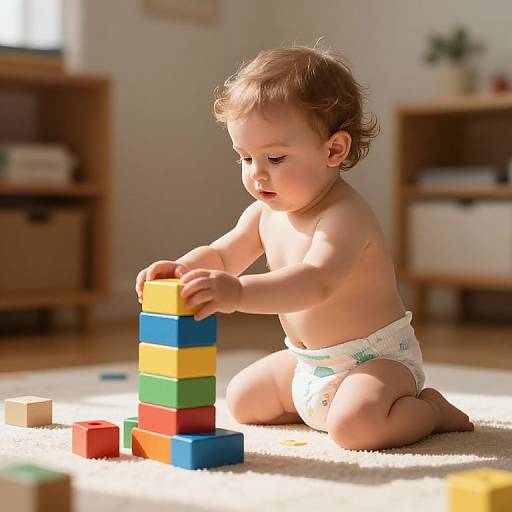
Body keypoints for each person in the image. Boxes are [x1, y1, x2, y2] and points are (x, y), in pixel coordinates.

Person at [135, 45, 474, 450]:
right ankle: (323, 408)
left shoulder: (345, 216)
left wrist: (238, 293)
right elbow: (224, 255)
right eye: (245, 158)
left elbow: (316, 283)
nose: (257, 174)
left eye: (275, 158)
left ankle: (430, 410)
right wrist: (183, 268)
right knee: (241, 399)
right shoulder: (263, 213)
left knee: (355, 430)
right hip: (308, 362)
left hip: (375, 361)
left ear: (334, 150)